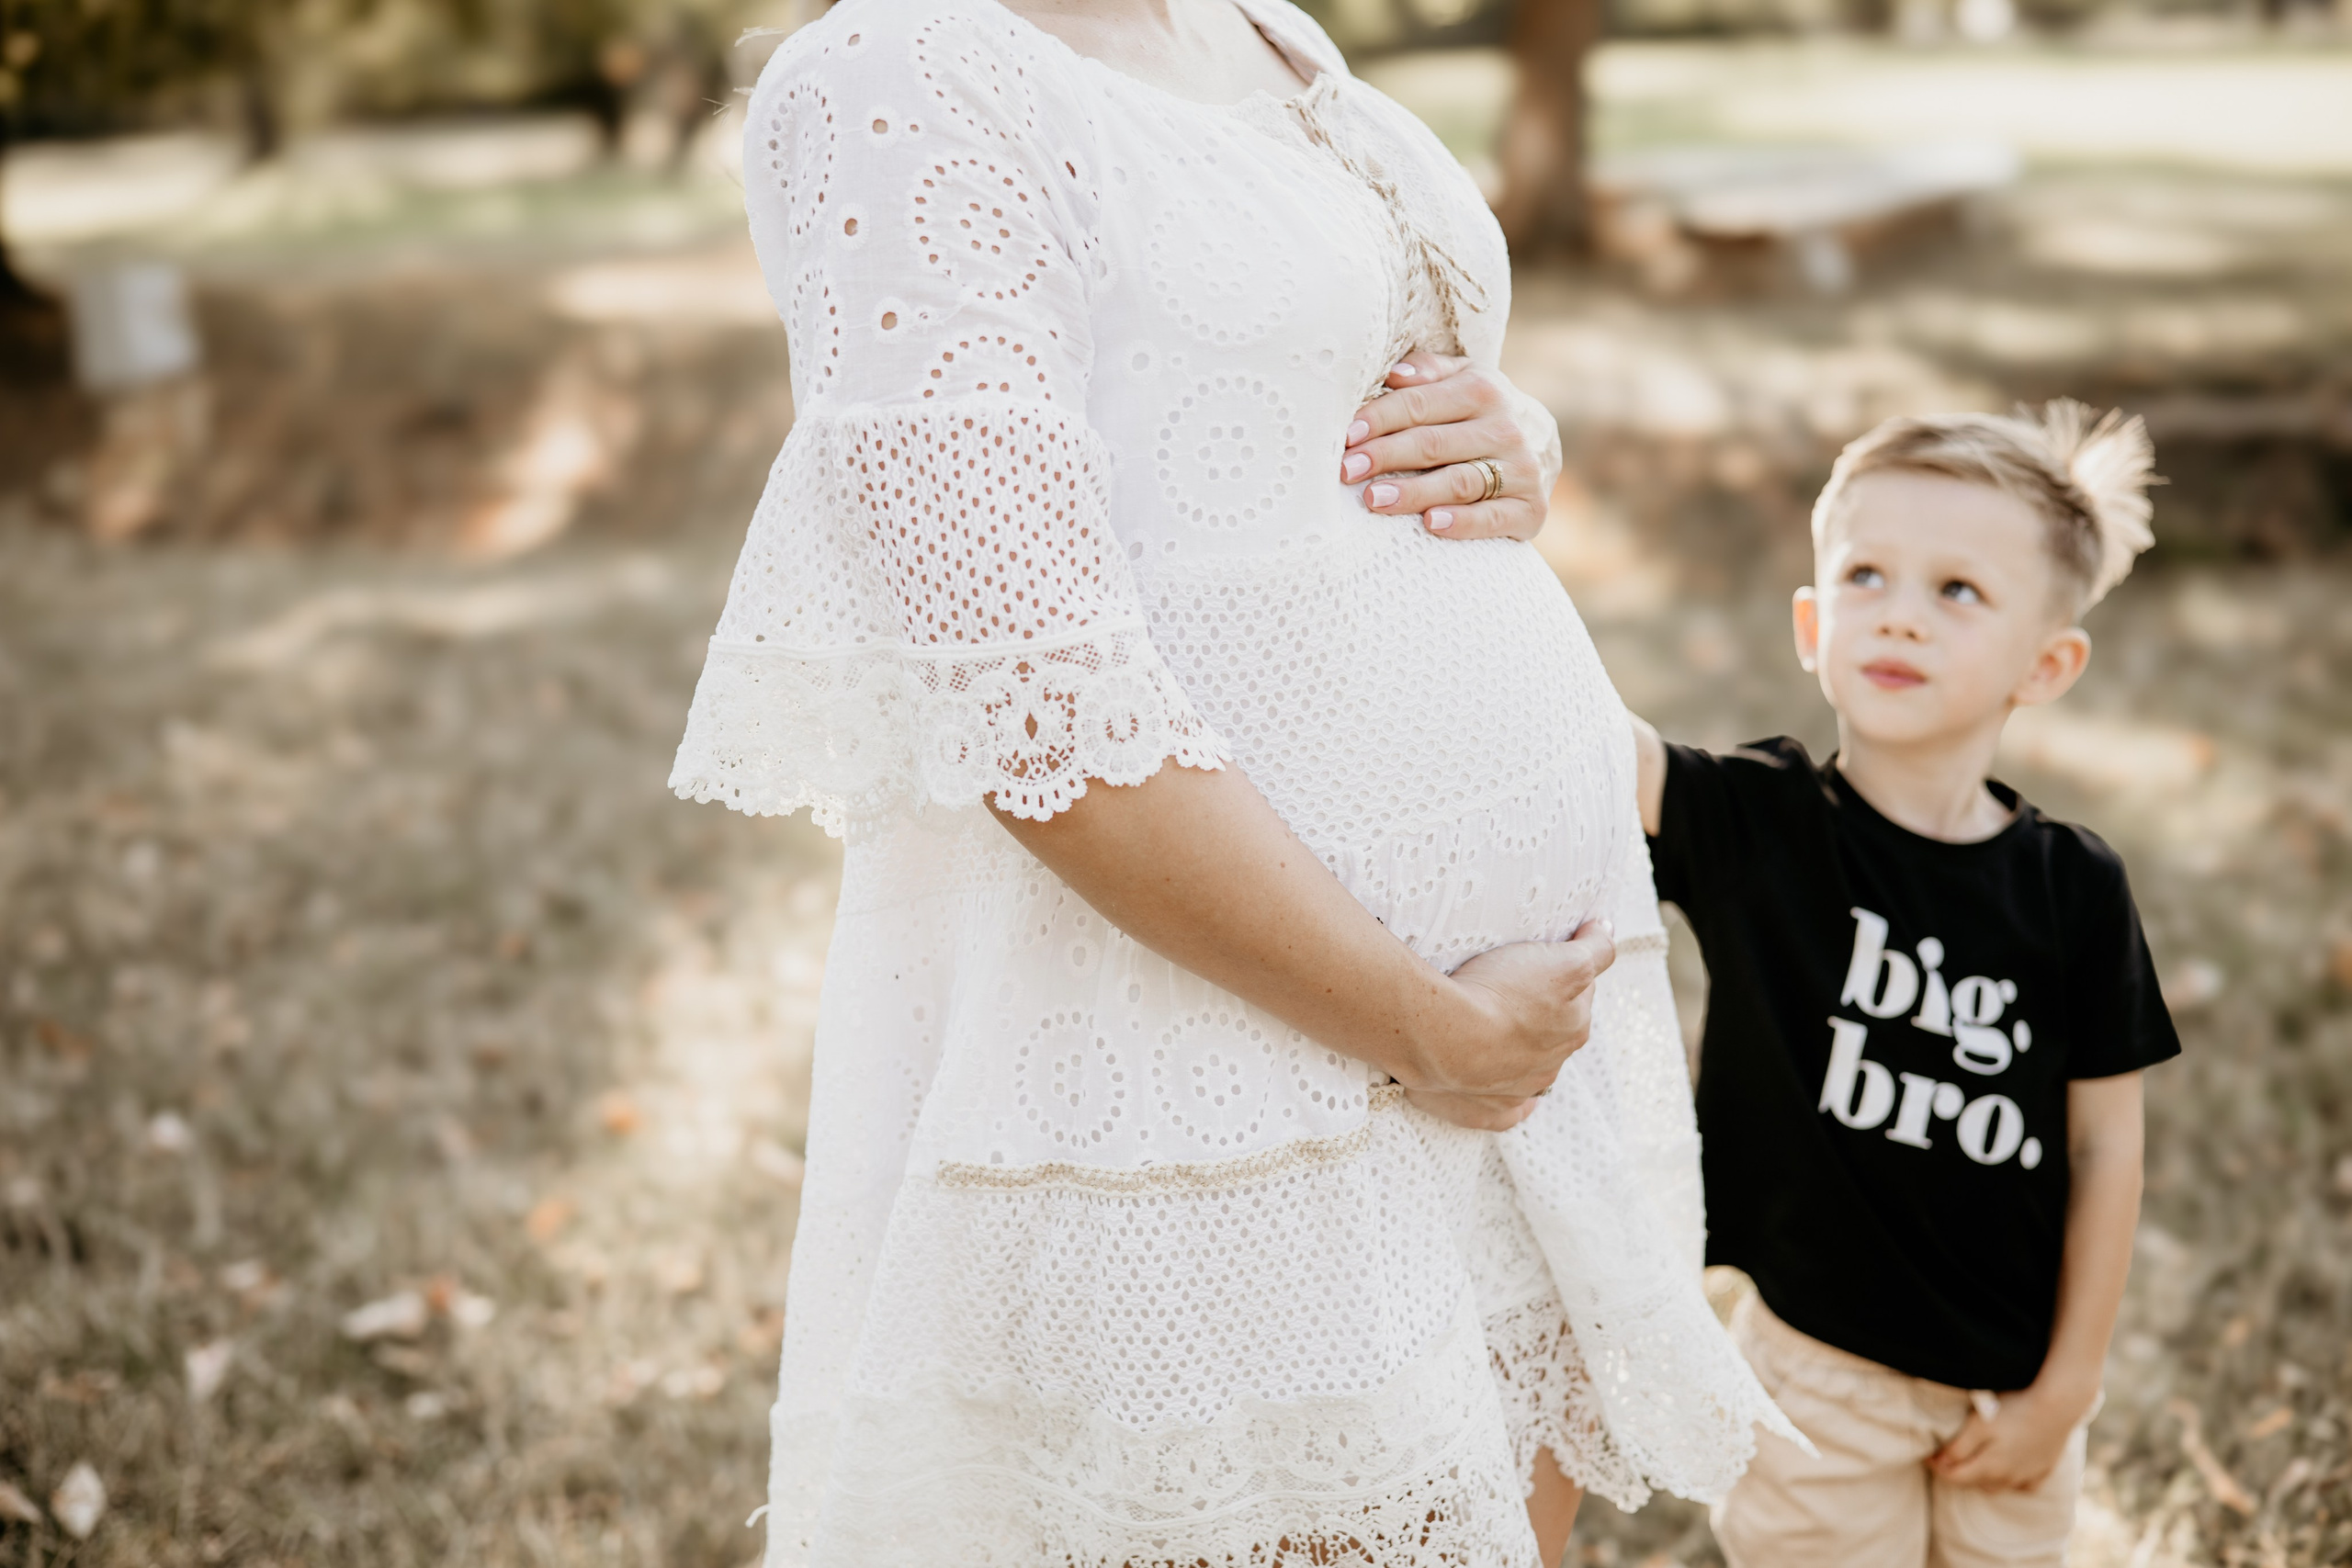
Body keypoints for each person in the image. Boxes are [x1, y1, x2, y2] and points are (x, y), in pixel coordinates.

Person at [669, 0, 1788, 1562]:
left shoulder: (1255, 22)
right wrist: (1423, 1026)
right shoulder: (900, 75)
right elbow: (1027, 696)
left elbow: (1279, 402)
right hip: (1215, 1072)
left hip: (1488, 1075)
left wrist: (1509, 433)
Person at [1630, 401, 2182, 1568]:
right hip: (1817, 1373)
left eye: (1956, 591)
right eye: (1866, 576)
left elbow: (2106, 1150)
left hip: (2011, 1377)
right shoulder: (1761, 825)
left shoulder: (2073, 888)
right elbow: (1584, 741)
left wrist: (2066, 1390)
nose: (1899, 616)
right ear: (1811, 623)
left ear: (2048, 664)